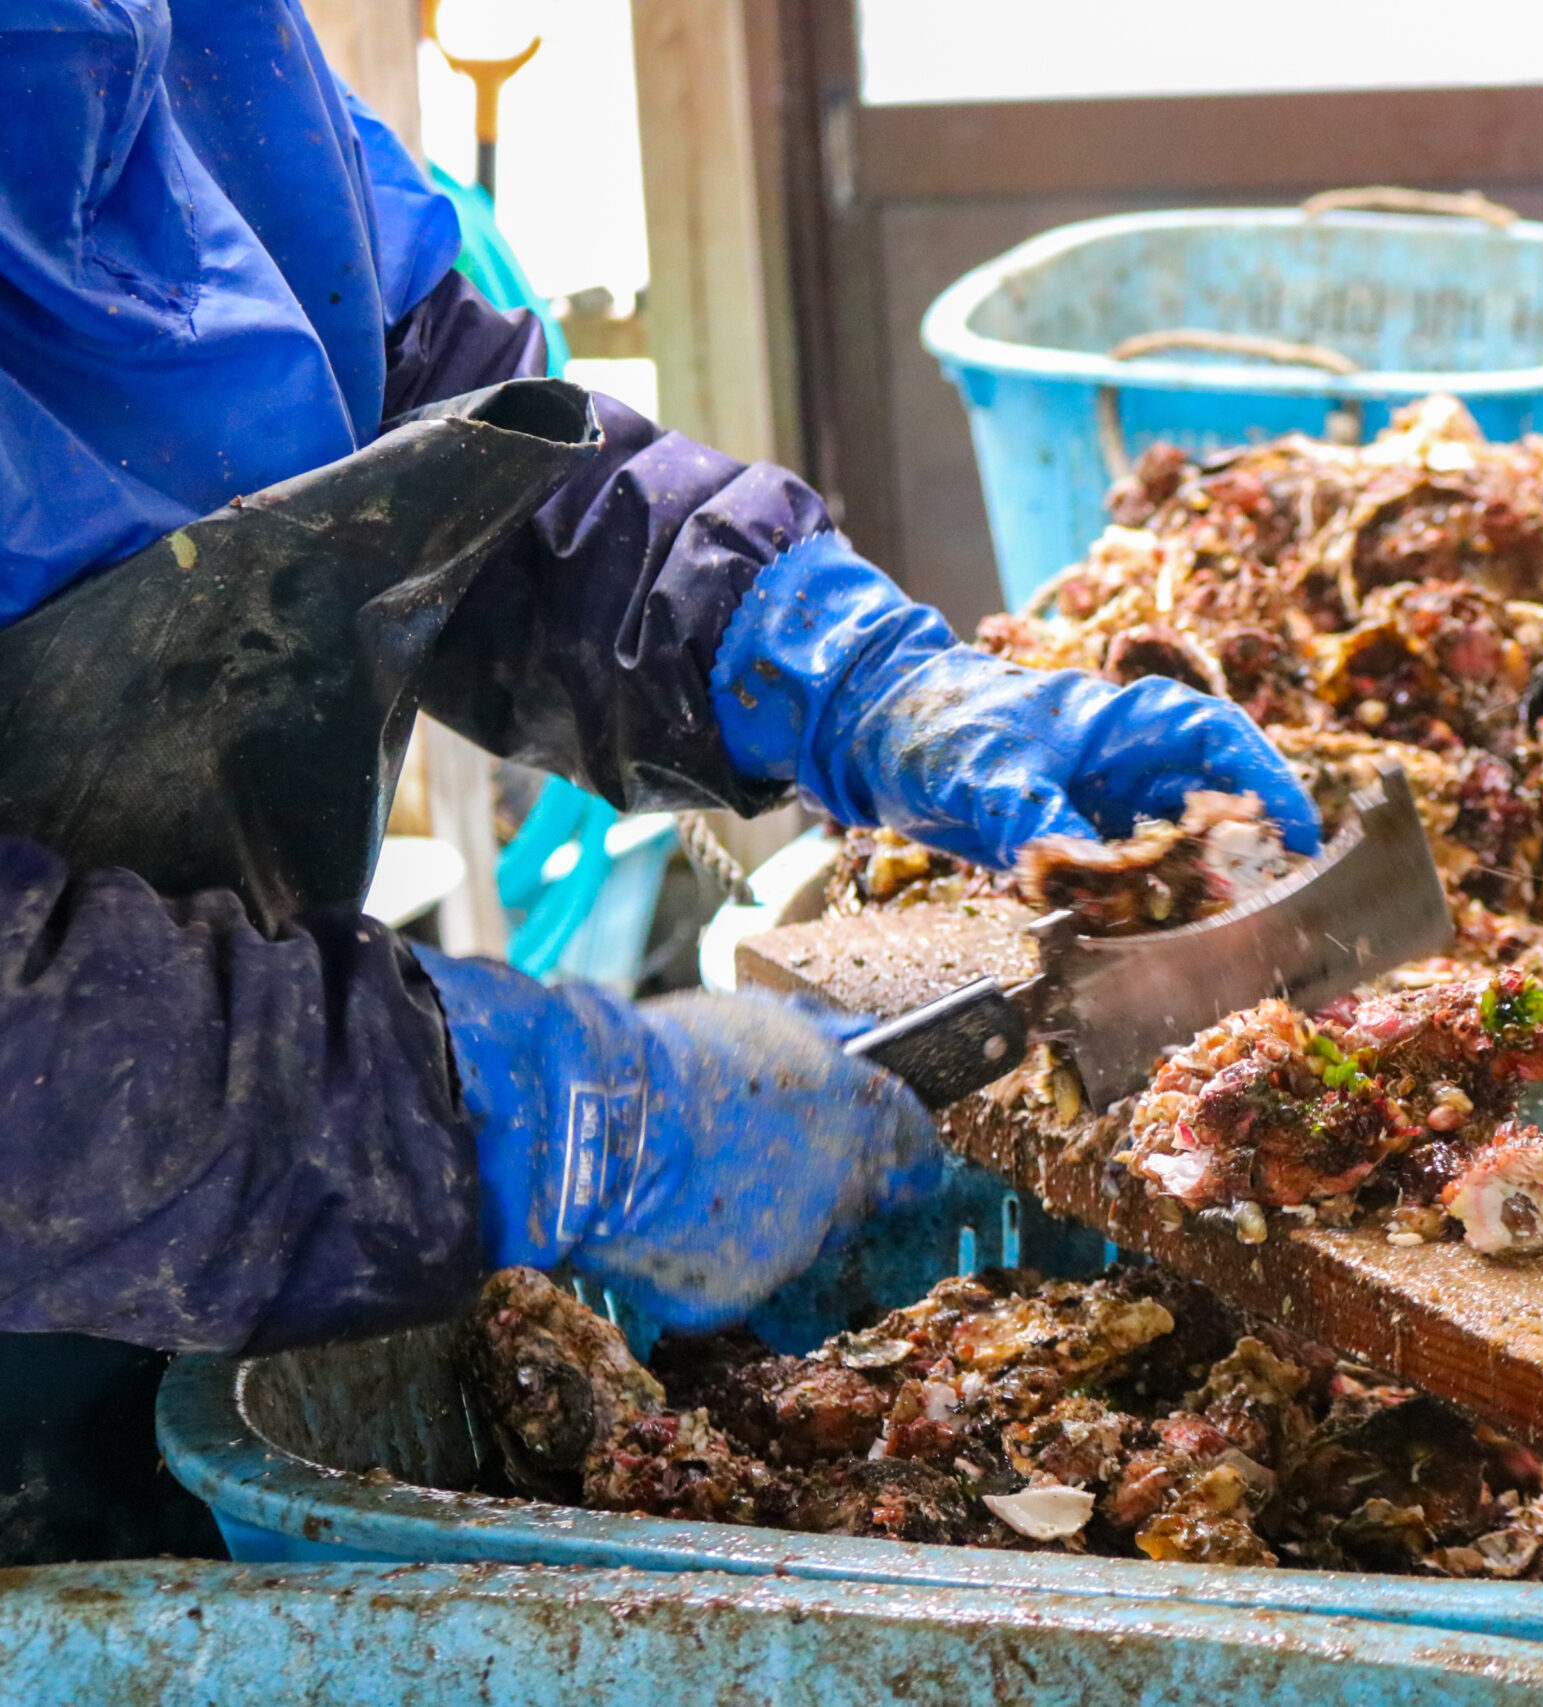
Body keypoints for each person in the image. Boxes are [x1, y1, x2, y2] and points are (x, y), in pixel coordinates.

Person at [0, 0, 1320, 1562]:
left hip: (243, 1245)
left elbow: (433, 426)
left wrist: (844, 668)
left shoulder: (181, 46)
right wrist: (537, 1114)